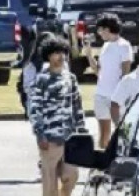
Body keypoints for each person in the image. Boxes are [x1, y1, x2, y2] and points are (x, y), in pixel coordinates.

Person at [28, 36, 86, 196]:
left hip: (70, 136)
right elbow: (35, 108)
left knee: (71, 174)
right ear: (48, 55)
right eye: (56, 53)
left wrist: (81, 130)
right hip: (49, 138)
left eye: (63, 53)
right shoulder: (41, 80)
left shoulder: (70, 78)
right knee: (49, 182)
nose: (61, 57)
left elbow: (77, 105)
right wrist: (40, 133)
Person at [85, 12, 132, 149]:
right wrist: (89, 54)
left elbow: (126, 72)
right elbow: (98, 71)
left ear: (107, 29)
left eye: (100, 29)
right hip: (101, 95)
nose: (99, 33)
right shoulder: (105, 46)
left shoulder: (124, 45)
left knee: (122, 131)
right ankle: (103, 163)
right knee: (104, 134)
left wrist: (121, 95)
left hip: (116, 97)